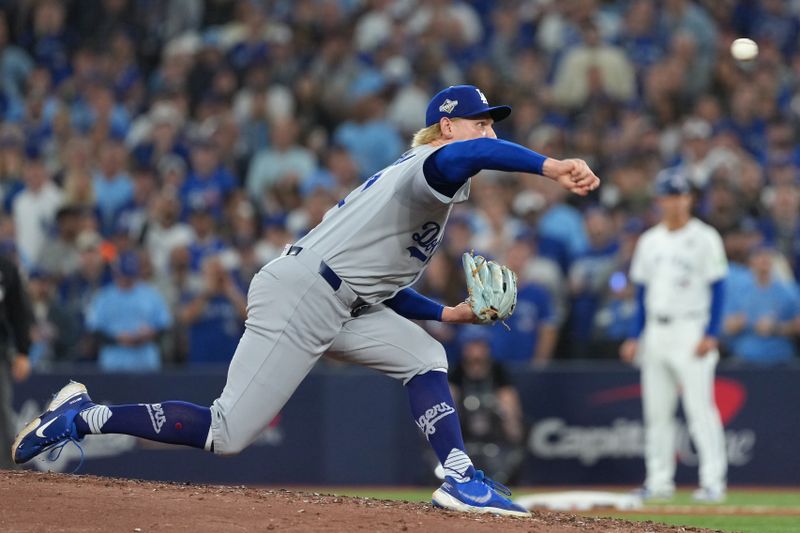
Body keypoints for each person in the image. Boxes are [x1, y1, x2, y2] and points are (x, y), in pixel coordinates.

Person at [12, 85, 599, 517]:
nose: (491, 132)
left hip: (339, 298)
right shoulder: (432, 165)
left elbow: (384, 289)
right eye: (481, 122)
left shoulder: (427, 192)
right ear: (448, 127)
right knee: (226, 432)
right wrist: (550, 166)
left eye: (494, 125)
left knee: (426, 355)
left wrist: (449, 314)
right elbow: (469, 158)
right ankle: (84, 415)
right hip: (304, 294)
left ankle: (458, 473)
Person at [619, 169, 728, 503]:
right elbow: (641, 293)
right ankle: (658, 480)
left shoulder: (705, 236)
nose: (676, 202)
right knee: (657, 412)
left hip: (691, 327)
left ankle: (712, 481)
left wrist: (712, 332)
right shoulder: (651, 240)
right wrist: (635, 335)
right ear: (660, 200)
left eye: (681, 196)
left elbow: (719, 286)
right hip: (656, 330)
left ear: (689, 199)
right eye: (670, 196)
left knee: (700, 409)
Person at [0, 252, 32, 469]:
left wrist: (23, 351)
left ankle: (9, 474)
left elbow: (19, 312)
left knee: (1, 413)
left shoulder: (6, 268)